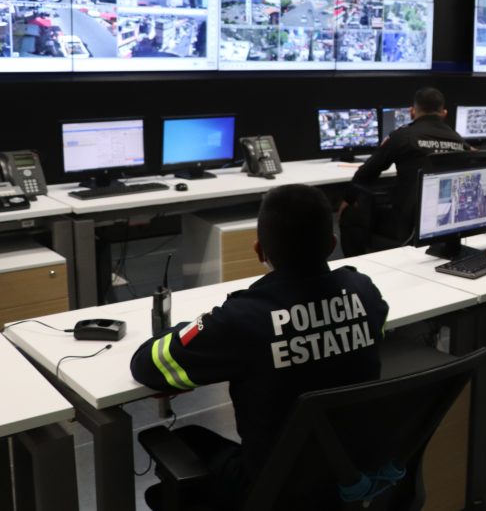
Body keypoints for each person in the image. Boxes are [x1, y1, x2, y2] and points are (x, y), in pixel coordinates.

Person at [130, 184, 389, 509]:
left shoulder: (242, 318)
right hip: (345, 476)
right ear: (332, 244)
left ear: (259, 251)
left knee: (186, 444)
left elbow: (148, 365)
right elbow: (367, 335)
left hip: (271, 489)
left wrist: (196, 333)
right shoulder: (364, 292)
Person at [339, 87, 470, 248]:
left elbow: (366, 172)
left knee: (349, 215)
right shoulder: (460, 141)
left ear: (412, 111)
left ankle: (357, 263)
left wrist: (347, 200)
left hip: (407, 223)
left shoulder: (402, 136)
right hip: (449, 218)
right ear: (444, 113)